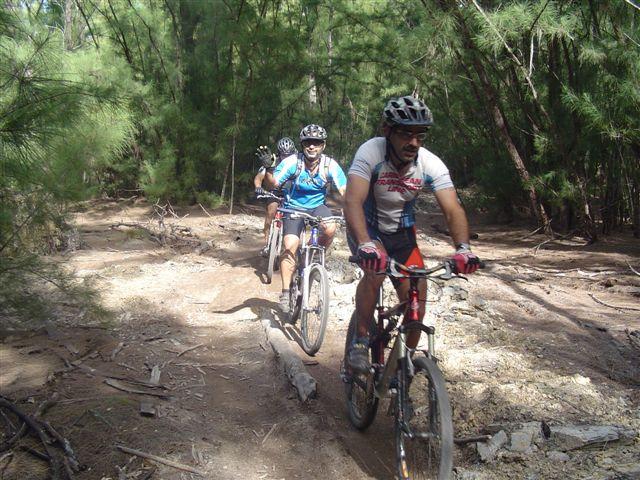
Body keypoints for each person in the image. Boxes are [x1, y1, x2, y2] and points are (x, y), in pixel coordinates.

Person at [344, 95, 481, 373]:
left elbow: (453, 208)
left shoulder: (430, 163)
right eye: (406, 134)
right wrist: (364, 244)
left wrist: (463, 248)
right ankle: (360, 339)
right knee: (376, 270)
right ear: (387, 131)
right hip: (368, 230)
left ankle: (401, 368)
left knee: (418, 295)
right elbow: (352, 201)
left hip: (403, 236)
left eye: (420, 135)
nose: (414, 142)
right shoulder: (370, 152)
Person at [262, 124, 347, 314]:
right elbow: (273, 183)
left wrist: (354, 208)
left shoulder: (329, 164)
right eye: (308, 142)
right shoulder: (293, 162)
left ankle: (314, 255)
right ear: (302, 144)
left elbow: (344, 191)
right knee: (290, 245)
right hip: (293, 206)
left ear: (323, 145)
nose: (312, 147)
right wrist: (269, 169)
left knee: (331, 228)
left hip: (317, 206)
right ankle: (285, 292)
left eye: (316, 143)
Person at [254, 137, 298, 256]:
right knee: (271, 211)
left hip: (293, 194)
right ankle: (267, 243)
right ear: (279, 153)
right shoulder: (272, 161)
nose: (286, 157)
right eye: (283, 155)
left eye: (288, 155)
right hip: (275, 192)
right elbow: (259, 176)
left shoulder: (298, 162)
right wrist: (258, 186)